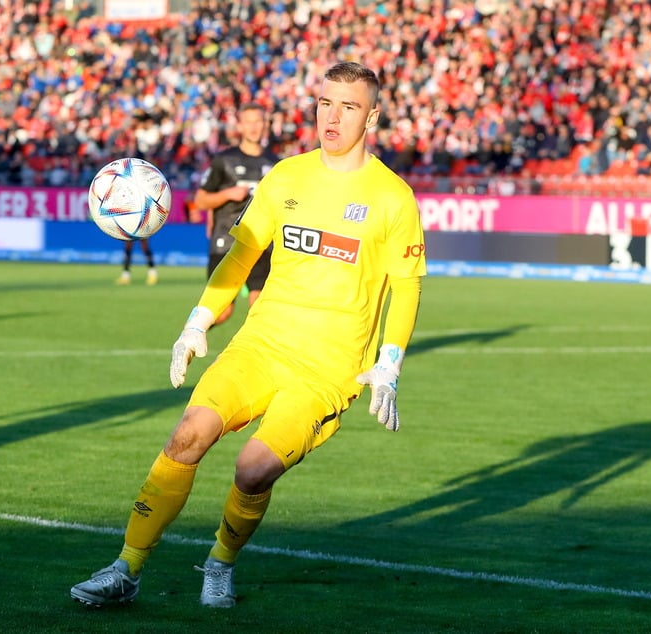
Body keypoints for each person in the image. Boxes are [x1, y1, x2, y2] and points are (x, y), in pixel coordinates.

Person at [70, 61, 427, 608]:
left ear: (372, 116)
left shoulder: (393, 197)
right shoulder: (285, 177)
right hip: (259, 347)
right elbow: (239, 258)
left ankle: (220, 561)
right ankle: (126, 568)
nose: (332, 117)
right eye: (325, 103)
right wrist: (197, 321)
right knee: (187, 435)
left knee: (253, 470)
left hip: (327, 372)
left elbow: (406, 286)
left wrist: (390, 363)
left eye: (349, 106)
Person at [193, 103, 280, 326]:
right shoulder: (224, 160)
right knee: (222, 312)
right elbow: (201, 200)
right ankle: (191, 333)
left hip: (260, 244)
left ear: (266, 125)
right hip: (225, 241)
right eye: (248, 122)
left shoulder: (276, 164)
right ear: (239, 126)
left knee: (260, 308)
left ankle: (252, 356)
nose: (254, 127)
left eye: (258, 121)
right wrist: (228, 194)